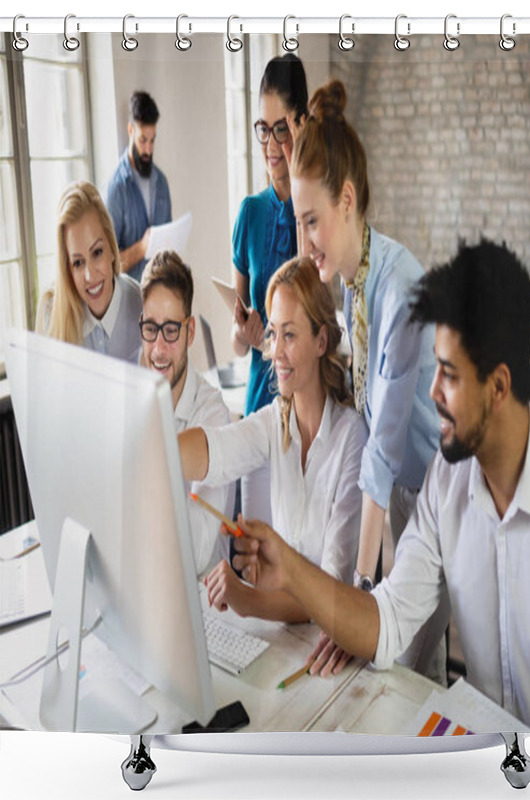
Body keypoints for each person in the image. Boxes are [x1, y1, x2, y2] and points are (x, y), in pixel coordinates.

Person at [231, 240, 530, 736]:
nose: (431, 392)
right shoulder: (445, 483)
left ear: (499, 385)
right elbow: (386, 621)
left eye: (447, 375)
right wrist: (289, 566)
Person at [289, 78, 445, 681]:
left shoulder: (399, 289)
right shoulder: (357, 281)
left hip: (435, 497)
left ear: (347, 200)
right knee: (387, 673)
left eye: (313, 221)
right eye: (299, 224)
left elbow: (382, 451)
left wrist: (358, 591)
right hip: (399, 497)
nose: (305, 245)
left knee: (405, 672)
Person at [178, 256, 367, 622]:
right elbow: (215, 450)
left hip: (327, 641)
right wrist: (154, 448)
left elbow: (329, 593)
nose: (275, 352)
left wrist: (244, 598)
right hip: (282, 633)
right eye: (273, 333)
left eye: (290, 335)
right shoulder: (273, 422)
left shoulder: (351, 439)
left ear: (321, 340)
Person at [231, 53, 309, 525]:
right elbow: (238, 339)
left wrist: (300, 179)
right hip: (259, 395)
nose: (271, 143)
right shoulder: (249, 213)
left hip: (302, 400)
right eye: (264, 129)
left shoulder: (313, 203)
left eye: (281, 128)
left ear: (300, 125)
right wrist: (244, 332)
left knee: (298, 542)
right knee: (253, 536)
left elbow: (313, 293)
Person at [139, 250, 233, 575]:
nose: (159, 348)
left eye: (171, 330)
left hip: (202, 601)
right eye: (151, 328)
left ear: (190, 332)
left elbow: (192, 552)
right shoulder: (133, 404)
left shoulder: (213, 417)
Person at [36, 181, 142, 363]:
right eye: (78, 262)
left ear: (111, 247)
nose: (90, 276)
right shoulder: (51, 313)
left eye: (97, 252)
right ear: (67, 267)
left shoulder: (142, 306)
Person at [106, 91, 172, 282]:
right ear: (130, 130)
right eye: (143, 140)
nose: (148, 150)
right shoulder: (117, 188)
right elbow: (108, 265)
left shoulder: (161, 182)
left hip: (161, 299)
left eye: (152, 141)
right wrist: (141, 248)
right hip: (130, 302)